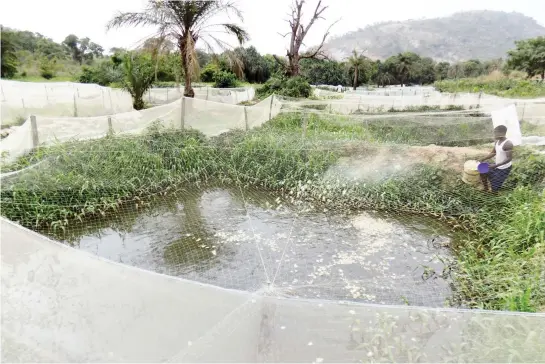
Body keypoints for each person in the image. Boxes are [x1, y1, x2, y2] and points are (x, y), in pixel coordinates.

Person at [479, 125, 513, 192]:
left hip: (504, 168)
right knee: (482, 171)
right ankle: (486, 189)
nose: (494, 134)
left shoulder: (508, 144)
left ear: (501, 133)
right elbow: (493, 152)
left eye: (495, 133)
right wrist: (483, 158)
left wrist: (495, 165)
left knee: (495, 187)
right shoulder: (497, 141)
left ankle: (494, 193)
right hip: (497, 165)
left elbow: (509, 158)